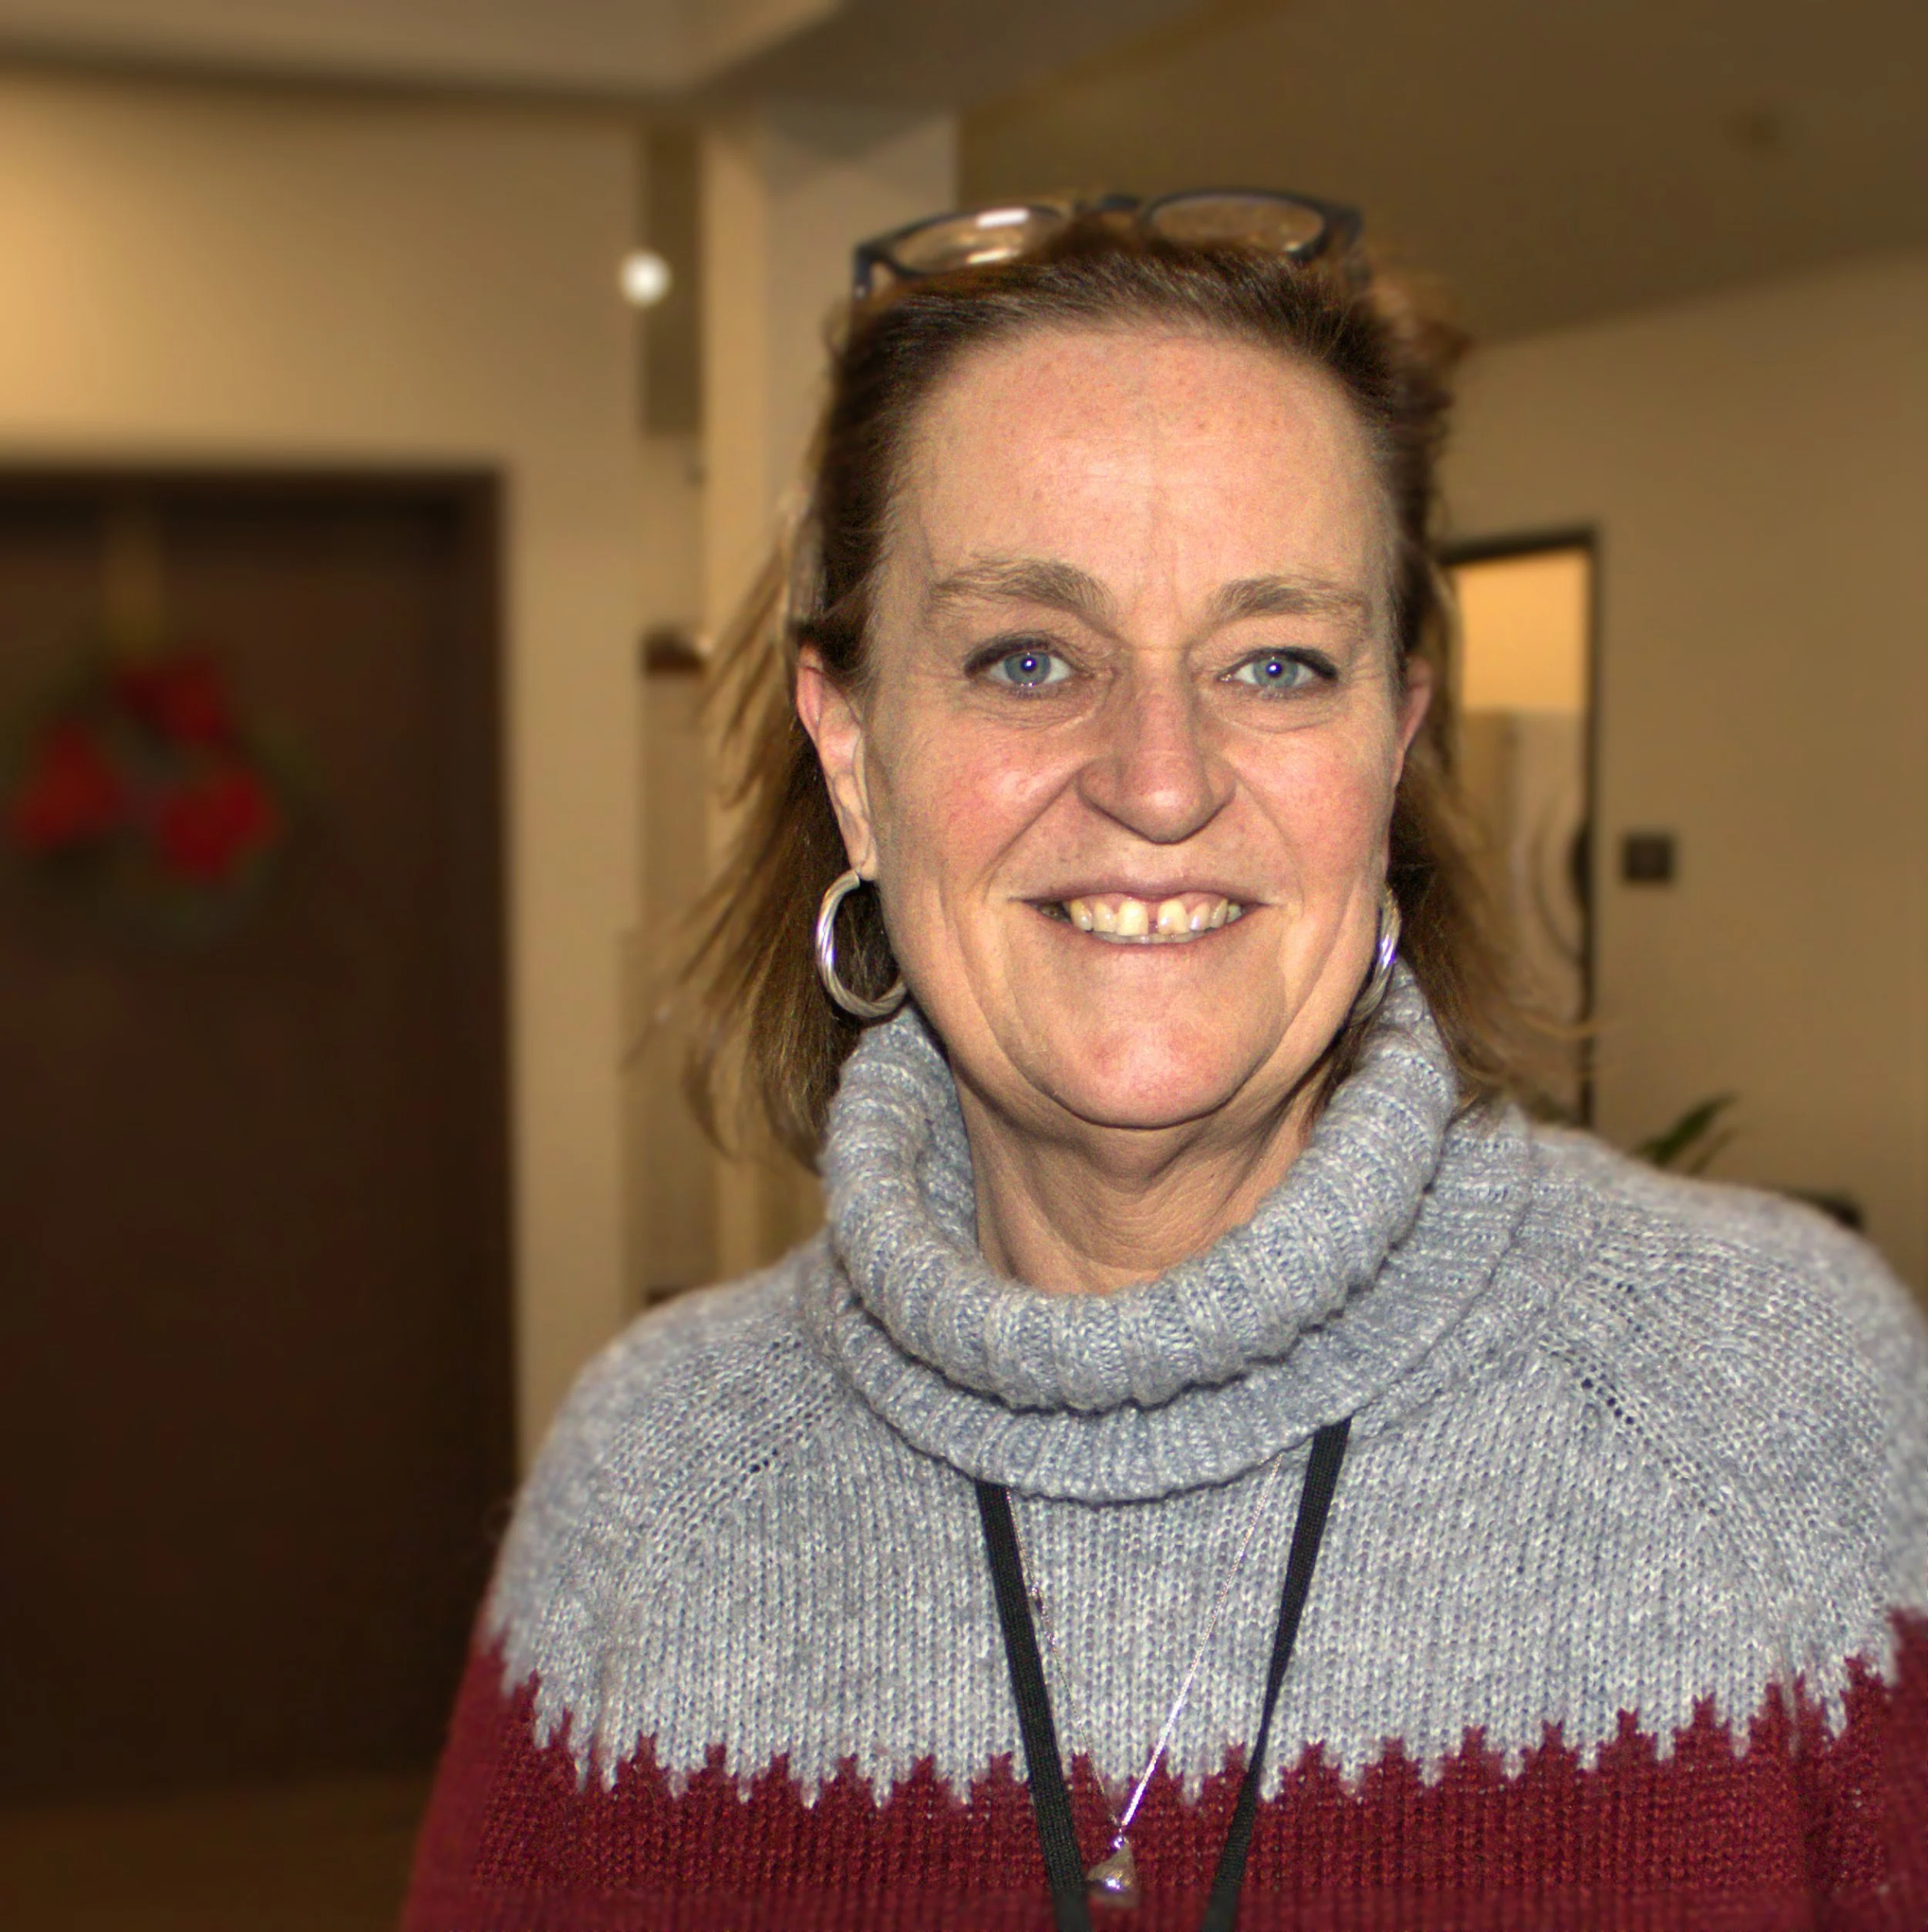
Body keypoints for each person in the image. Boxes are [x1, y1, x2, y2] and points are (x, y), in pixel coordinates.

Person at [403, 195, 1927, 1931]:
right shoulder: (654, 1492)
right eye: (1025, 656)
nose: (1155, 774)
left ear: (1391, 740)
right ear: (851, 751)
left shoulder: (1762, 1405)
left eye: (1274, 662)